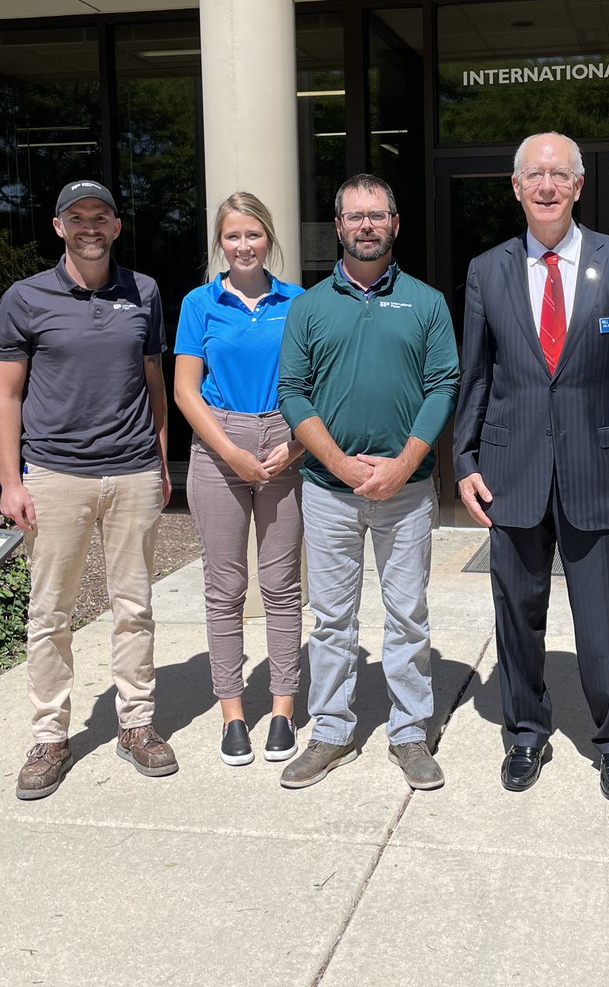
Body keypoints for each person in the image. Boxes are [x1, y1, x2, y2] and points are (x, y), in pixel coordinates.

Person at [453, 132, 609, 799]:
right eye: (534, 175)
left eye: (560, 175)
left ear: (578, 186)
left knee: (607, 620)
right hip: (510, 471)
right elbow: (477, 377)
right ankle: (524, 731)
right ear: (516, 188)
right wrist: (463, 459)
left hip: (603, 471)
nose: (547, 186)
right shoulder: (486, 270)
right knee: (516, 616)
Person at [277, 173, 459, 791]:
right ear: (338, 225)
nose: (366, 226)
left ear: (395, 223)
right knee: (331, 619)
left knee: (407, 616)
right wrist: (342, 465)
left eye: (376, 215)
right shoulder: (308, 306)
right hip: (329, 491)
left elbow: (442, 389)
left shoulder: (427, 303)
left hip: (405, 491)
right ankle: (330, 731)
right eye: (355, 216)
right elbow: (293, 394)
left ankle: (410, 733)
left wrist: (403, 464)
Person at [0, 179, 177, 799]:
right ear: (58, 227)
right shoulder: (25, 298)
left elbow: (153, 378)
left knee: (135, 607)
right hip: (54, 473)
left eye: (101, 216)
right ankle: (50, 735)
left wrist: (159, 459)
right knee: (51, 612)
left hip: (131, 470)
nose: (91, 227)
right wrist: (9, 480)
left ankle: (138, 725)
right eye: (78, 218)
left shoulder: (145, 292)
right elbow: (8, 394)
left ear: (117, 225)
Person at [174, 193, 305, 767]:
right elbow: (184, 389)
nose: (244, 246)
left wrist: (296, 446)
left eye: (253, 235)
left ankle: (281, 709)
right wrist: (230, 453)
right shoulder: (198, 304)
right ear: (219, 244)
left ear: (268, 238)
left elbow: (315, 386)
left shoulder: (298, 301)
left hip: (283, 439)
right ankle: (232, 712)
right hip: (218, 442)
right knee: (225, 589)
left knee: (281, 587)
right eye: (233, 237)